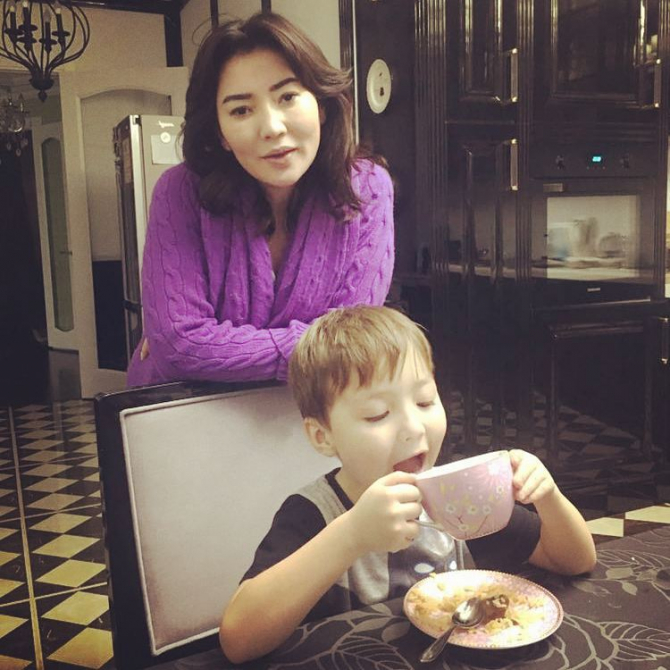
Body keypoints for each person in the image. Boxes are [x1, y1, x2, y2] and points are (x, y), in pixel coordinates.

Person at [218, 305, 597, 663]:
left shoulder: (459, 498)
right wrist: (351, 535)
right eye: (377, 414)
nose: (413, 428)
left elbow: (575, 561)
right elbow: (238, 641)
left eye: (425, 402)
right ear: (323, 436)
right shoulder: (313, 513)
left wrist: (548, 497)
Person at [126, 12, 394, 387]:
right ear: (220, 133)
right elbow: (179, 348)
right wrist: (319, 347)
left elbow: (354, 340)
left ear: (320, 105)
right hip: (184, 410)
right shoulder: (179, 191)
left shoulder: (367, 188)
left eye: (287, 96)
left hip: (301, 412)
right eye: (241, 110)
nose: (271, 127)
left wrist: (215, 350)